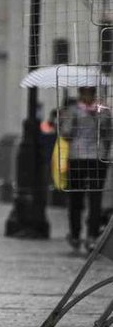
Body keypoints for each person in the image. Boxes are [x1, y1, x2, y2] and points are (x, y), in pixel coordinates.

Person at [59, 86, 112, 253]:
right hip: (97, 158)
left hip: (77, 158)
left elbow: (66, 134)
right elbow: (108, 135)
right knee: (95, 199)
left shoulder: (73, 111)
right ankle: (92, 237)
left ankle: (75, 235)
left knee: (76, 198)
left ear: (81, 93)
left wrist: (65, 120)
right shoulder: (103, 111)